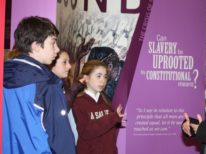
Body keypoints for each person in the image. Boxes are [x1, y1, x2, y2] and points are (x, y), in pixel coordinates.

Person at [3, 16, 62, 153]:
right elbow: (58, 136)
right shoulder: (46, 83)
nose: (57, 49)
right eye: (53, 43)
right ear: (35, 46)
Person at [72, 60, 125, 154]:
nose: (103, 80)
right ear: (86, 78)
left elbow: (110, 137)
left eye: (105, 77)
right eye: (98, 76)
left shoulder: (106, 102)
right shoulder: (78, 102)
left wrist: (116, 120)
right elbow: (86, 132)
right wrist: (112, 118)